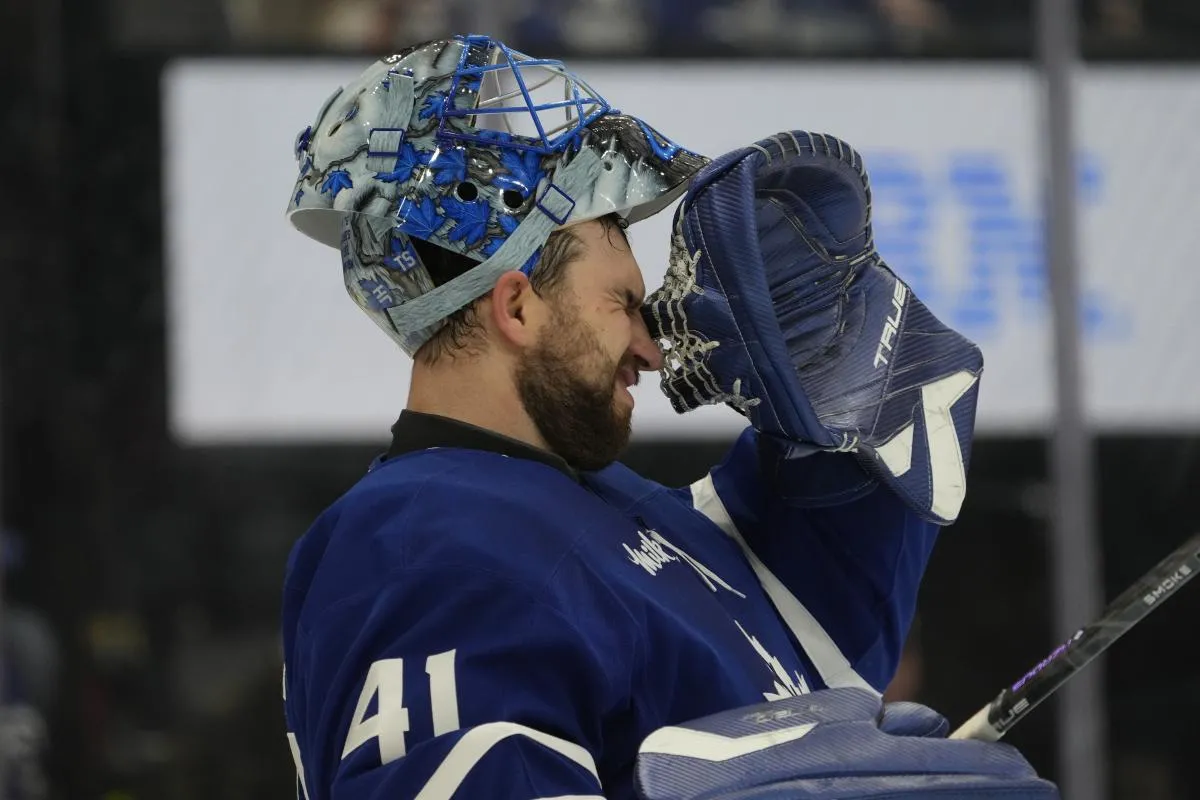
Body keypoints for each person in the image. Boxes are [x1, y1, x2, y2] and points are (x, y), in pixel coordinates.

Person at [280, 35, 1053, 800]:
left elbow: (826, 640)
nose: (652, 349)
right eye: (623, 304)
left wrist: (830, 440)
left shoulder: (635, 520)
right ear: (516, 306)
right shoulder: (419, 542)